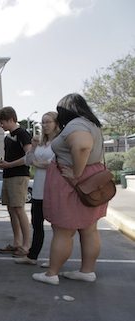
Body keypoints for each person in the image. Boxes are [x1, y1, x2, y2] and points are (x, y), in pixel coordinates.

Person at [33, 93, 108, 285]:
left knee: (63, 230)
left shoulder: (76, 125)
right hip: (92, 181)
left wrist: (76, 173)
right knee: (90, 229)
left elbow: (82, 147)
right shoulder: (92, 124)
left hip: (72, 184)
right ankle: (87, 271)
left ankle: (52, 274)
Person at [15, 112, 60, 266]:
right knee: (37, 224)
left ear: (56, 123)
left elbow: (54, 164)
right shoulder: (39, 142)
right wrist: (33, 148)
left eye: (48, 122)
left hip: (53, 190)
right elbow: (28, 161)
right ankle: (32, 257)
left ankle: (55, 259)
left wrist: (39, 163)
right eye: (43, 122)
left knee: (57, 227)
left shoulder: (59, 143)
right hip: (38, 190)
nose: (45, 125)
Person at [0, 106, 32, 257]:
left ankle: (26, 245)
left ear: (11, 119)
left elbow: (29, 157)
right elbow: (12, 156)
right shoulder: (7, 137)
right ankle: (17, 242)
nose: (1, 125)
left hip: (19, 176)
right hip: (8, 176)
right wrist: (3, 163)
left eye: (2, 122)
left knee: (18, 208)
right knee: (11, 209)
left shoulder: (23, 133)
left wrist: (9, 165)